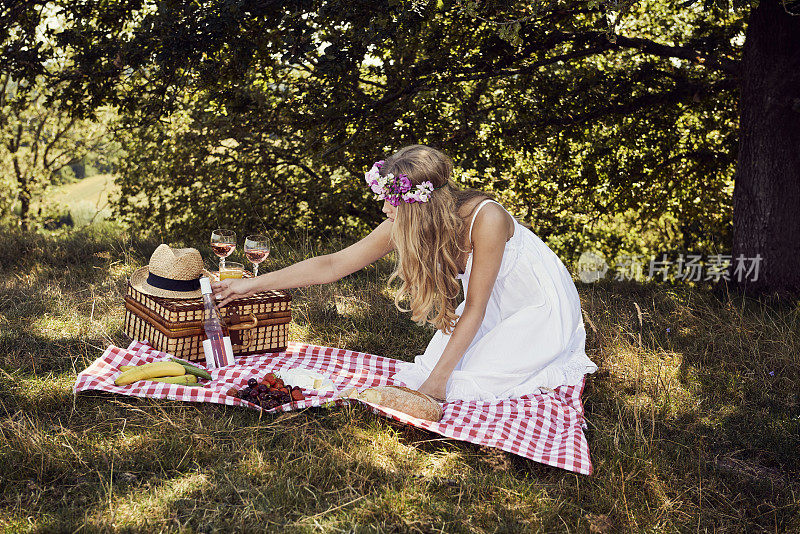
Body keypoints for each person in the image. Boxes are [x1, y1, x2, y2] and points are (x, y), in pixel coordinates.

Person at [212, 145, 597, 402]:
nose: (385, 212)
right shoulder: (407, 223)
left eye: (390, 203)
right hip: (488, 305)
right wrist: (252, 286)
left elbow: (476, 307)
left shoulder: (487, 218)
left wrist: (435, 387)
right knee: (438, 372)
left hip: (533, 305)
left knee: (466, 384)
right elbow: (332, 264)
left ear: (419, 205)